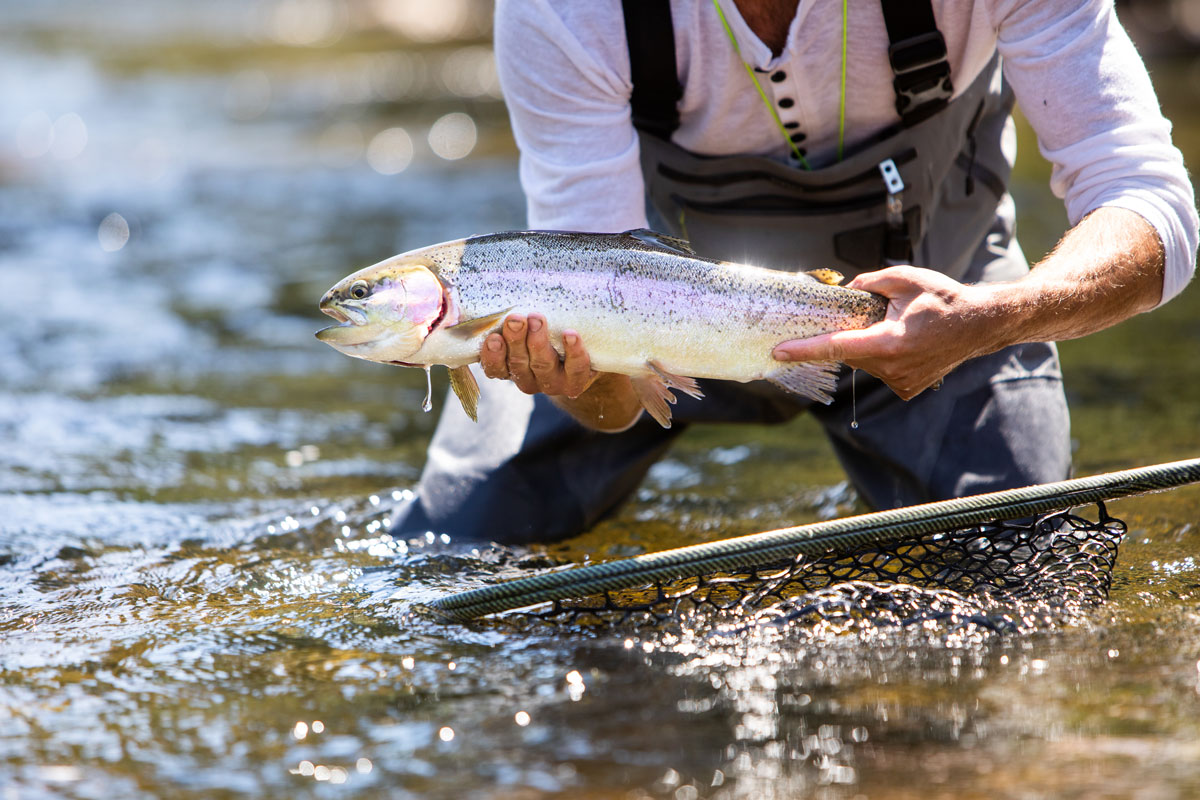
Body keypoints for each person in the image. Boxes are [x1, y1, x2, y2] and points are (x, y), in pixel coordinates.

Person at [391, 0, 1197, 543]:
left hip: (949, 310)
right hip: (634, 333)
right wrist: (577, 377)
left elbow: (1147, 198)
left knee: (1014, 559)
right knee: (448, 548)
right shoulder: (565, 12)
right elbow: (606, 391)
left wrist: (999, 317)